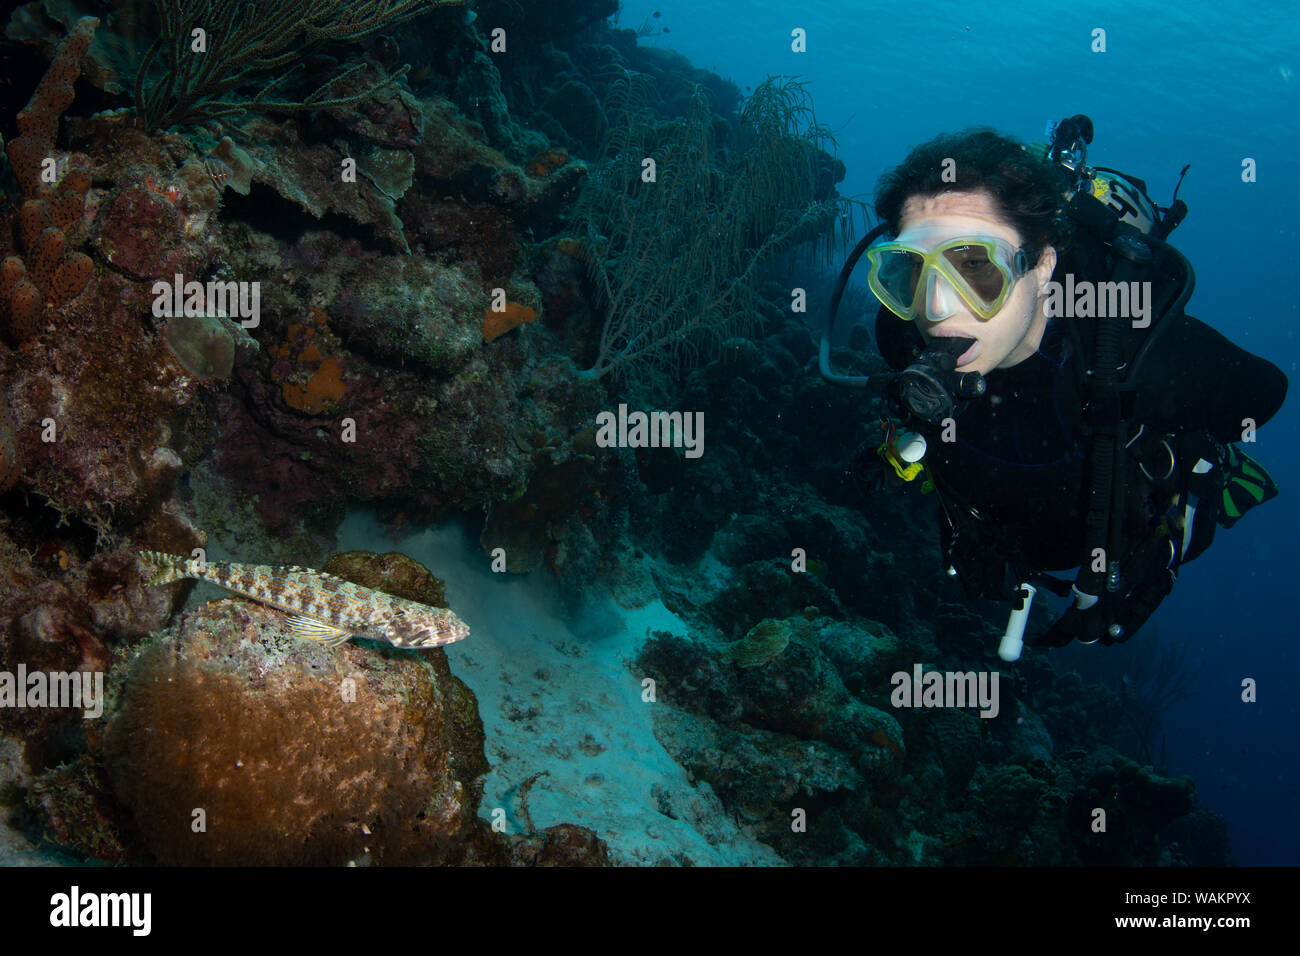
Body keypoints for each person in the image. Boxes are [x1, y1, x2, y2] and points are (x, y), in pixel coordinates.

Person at [826, 123, 1287, 653]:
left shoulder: (1123, 340)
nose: (935, 307)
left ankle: (1212, 469)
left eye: (975, 264)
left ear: (1042, 264)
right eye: (911, 269)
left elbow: (1262, 392)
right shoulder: (901, 330)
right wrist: (901, 451)